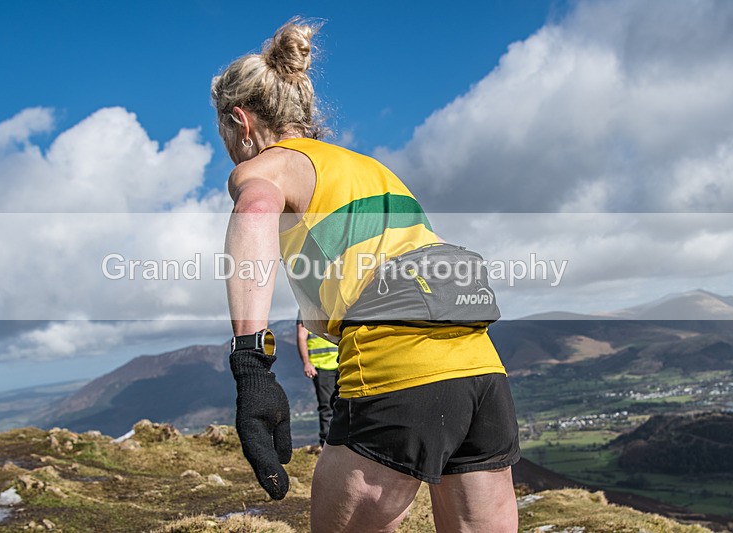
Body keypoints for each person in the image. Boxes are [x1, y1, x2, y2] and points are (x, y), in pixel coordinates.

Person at [213, 18, 520, 532]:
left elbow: (255, 209)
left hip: (396, 367)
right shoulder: (370, 169)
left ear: (241, 121)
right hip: (481, 370)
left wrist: (251, 363)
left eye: (224, 134)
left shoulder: (269, 165)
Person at [296, 311, 338, 451]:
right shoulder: (307, 307)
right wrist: (307, 363)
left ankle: (343, 445)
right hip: (321, 365)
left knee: (345, 404)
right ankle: (327, 446)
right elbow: (301, 336)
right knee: (327, 407)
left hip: (341, 362)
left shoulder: (336, 302)